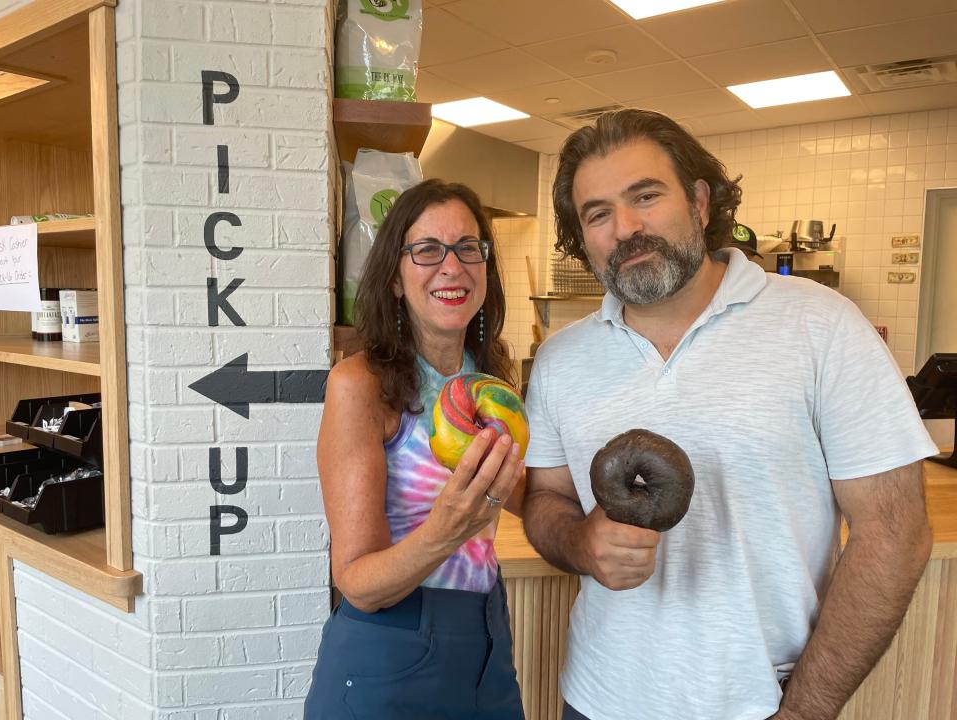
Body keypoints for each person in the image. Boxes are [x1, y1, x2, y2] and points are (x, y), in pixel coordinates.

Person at [521, 109, 937, 720]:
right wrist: (580, 542)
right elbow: (545, 498)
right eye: (598, 213)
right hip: (596, 697)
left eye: (645, 196)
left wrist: (804, 710)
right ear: (581, 237)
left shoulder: (821, 326)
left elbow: (896, 532)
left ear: (698, 200)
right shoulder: (561, 358)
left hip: (758, 703)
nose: (626, 228)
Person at [304, 179, 526, 719]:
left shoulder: (495, 379)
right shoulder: (360, 384)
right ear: (397, 279)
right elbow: (357, 582)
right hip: (390, 642)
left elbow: (521, 494)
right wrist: (446, 530)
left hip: (487, 634)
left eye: (468, 248)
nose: (452, 267)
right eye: (427, 250)